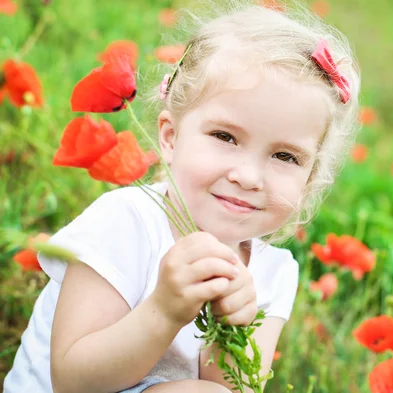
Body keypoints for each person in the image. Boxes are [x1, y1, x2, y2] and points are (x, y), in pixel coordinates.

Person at [3, 1, 361, 392]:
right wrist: (164, 311)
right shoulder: (125, 222)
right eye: (225, 137)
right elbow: (72, 380)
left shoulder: (273, 273)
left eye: (285, 156)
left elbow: (233, 388)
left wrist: (231, 327)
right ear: (171, 136)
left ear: (310, 179)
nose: (248, 176)